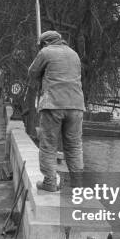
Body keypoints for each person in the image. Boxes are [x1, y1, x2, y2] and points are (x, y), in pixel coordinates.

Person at [28, 30, 85, 192]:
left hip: (53, 104)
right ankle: (77, 185)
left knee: (48, 145)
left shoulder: (45, 52)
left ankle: (50, 182)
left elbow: (32, 73)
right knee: (74, 146)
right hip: (76, 105)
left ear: (45, 43)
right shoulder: (74, 54)